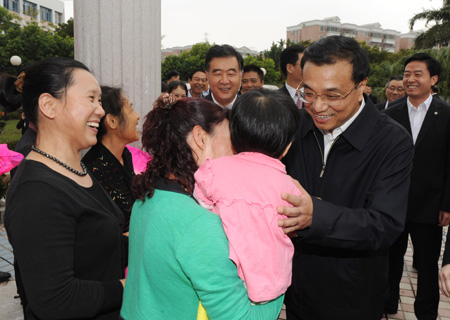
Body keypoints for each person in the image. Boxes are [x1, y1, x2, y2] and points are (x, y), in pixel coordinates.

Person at [277, 35, 414, 320]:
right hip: (297, 288)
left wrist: (318, 216)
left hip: (354, 296)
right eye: (309, 93)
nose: (317, 106)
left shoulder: (392, 141)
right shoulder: (296, 125)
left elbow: (385, 224)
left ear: (362, 85)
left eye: (332, 95)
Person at [121, 95, 284, 320]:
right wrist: (279, 267)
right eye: (231, 142)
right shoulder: (199, 224)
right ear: (200, 138)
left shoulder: (148, 196)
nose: (238, 154)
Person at [4, 57, 125, 320]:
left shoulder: (77, 170)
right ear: (49, 105)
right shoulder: (36, 191)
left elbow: (98, 246)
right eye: (90, 98)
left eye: (100, 101)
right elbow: (56, 299)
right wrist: (128, 287)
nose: (101, 111)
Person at [194, 89, 300, 304]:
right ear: (287, 147)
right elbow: (296, 226)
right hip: (272, 287)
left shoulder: (213, 170)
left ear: (234, 134)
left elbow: (199, 209)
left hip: (224, 281)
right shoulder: (290, 188)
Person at [383, 53, 450, 320]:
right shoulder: (391, 112)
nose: (410, 79)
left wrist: (447, 204)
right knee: (390, 259)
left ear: (433, 79)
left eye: (418, 74)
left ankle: (426, 313)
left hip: (430, 206)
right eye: (407, 73)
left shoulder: (446, 114)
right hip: (393, 204)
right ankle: (386, 304)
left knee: (426, 264)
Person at [83, 85, 140, 232]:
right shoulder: (93, 170)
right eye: (131, 109)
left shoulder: (125, 155)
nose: (137, 116)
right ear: (112, 121)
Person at [203, 44, 243, 108]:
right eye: (218, 74)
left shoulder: (253, 110)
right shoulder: (194, 112)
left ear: (241, 76)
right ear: (207, 75)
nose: (224, 81)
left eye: (231, 74)